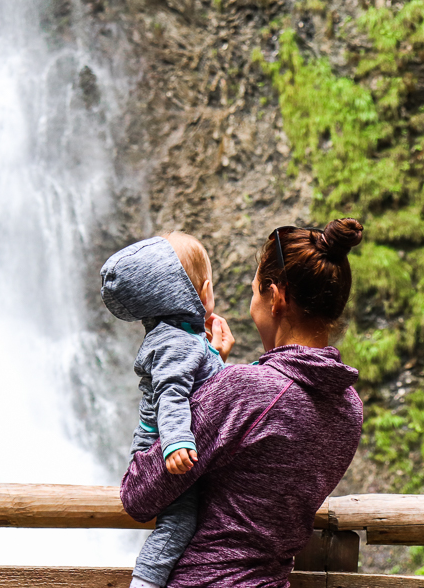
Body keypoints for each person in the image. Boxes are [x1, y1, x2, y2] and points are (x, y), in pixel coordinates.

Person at [120, 218, 366, 587]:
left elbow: (139, 494)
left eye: (254, 292)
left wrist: (204, 383)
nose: (253, 306)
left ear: (276, 297)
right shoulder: (349, 407)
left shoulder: (242, 390)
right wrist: (211, 370)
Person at [100, 231, 229, 588]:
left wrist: (217, 358)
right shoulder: (178, 342)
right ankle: (144, 582)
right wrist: (174, 443)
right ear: (201, 293)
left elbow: (197, 386)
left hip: (171, 443)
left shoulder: (179, 337)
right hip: (164, 446)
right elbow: (172, 395)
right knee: (179, 522)